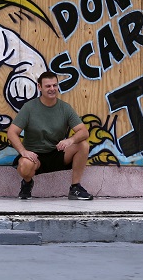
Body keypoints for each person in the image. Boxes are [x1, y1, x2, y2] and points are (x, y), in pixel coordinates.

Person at [7, 71, 93, 201]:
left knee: (83, 145)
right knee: (25, 165)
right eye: (48, 86)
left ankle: (75, 187)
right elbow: (12, 132)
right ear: (39, 87)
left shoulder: (65, 108)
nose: (52, 89)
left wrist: (71, 140)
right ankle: (27, 183)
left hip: (57, 152)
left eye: (55, 85)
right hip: (34, 156)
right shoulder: (29, 108)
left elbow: (84, 131)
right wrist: (23, 151)